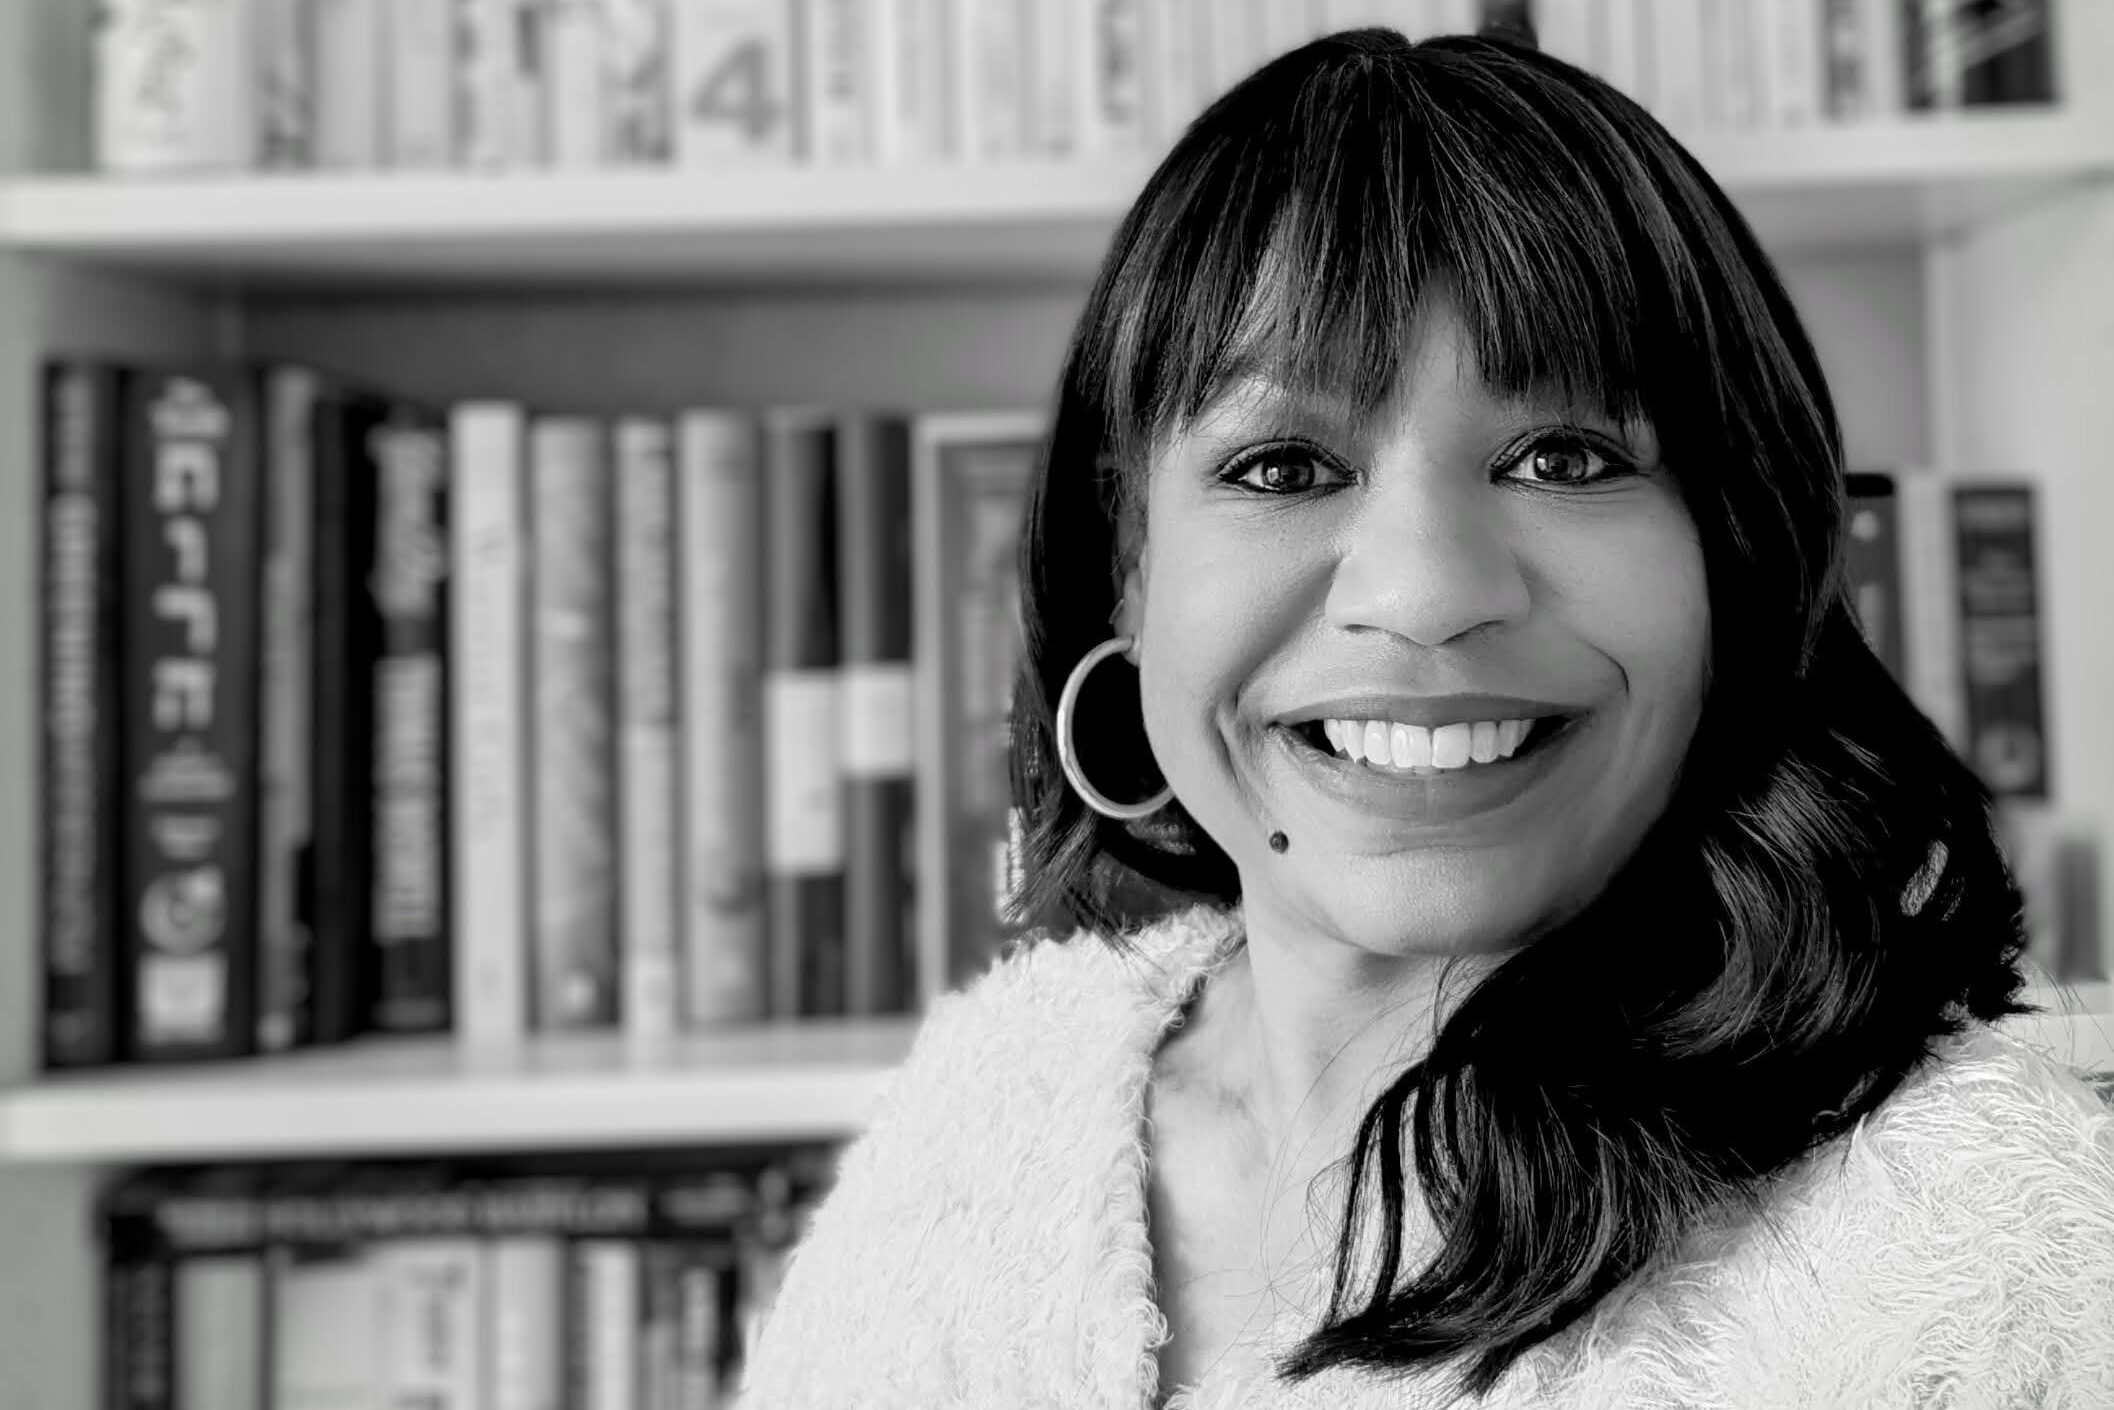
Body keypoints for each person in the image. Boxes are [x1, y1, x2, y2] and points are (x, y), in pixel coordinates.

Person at [737, 27, 2114, 1408]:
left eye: (1563, 456)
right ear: (1125, 571)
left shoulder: (1991, 1255)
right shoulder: (990, 1111)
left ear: (1735, 561)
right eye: (1282, 464)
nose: (1424, 592)